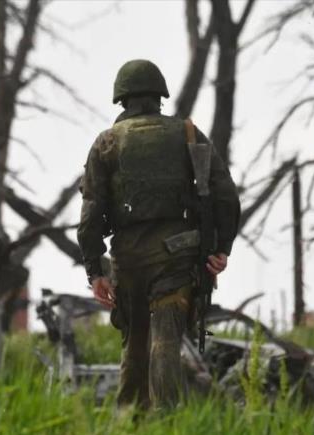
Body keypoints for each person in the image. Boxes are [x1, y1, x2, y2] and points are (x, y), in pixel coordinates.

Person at [77, 59, 241, 410]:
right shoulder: (188, 134)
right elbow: (226, 195)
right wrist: (221, 249)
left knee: (135, 344)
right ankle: (168, 425)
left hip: (129, 259)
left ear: (121, 99)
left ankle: (132, 429)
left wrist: (95, 271)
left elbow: (90, 213)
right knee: (165, 339)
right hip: (177, 256)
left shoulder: (107, 142)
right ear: (159, 96)